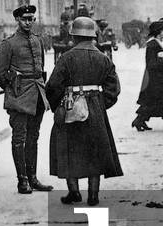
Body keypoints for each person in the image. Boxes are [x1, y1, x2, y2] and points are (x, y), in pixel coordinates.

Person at [46, 17, 122, 206]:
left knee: (69, 149)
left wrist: (59, 106)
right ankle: (93, 195)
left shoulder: (66, 58)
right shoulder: (103, 58)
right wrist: (100, 104)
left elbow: (53, 86)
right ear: (93, 36)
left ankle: (74, 193)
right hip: (95, 109)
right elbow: (114, 88)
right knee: (94, 152)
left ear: (74, 37)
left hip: (70, 107)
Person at [0, 4, 52, 195]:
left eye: (31, 19)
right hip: (19, 97)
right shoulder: (9, 44)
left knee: (33, 137)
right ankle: (22, 180)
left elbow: (40, 70)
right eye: (25, 19)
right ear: (17, 20)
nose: (28, 22)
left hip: (38, 95)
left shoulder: (37, 41)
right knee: (19, 139)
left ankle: (33, 178)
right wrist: (13, 89)